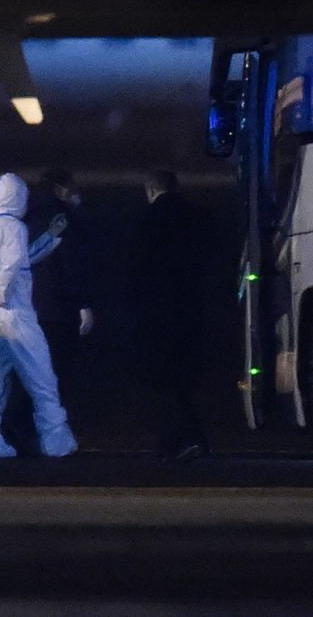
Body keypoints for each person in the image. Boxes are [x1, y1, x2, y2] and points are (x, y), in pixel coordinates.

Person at [0, 173, 77, 458]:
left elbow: (18, 260)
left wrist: (49, 238)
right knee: (43, 380)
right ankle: (56, 439)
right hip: (15, 316)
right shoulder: (14, 227)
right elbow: (14, 266)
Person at [2, 166, 97, 451]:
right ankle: (36, 433)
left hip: (29, 307)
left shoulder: (27, 218)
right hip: (57, 309)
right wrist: (82, 304)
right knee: (54, 374)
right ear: (60, 187)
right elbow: (73, 263)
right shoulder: (63, 220)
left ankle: (19, 431)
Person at [129, 169, 209, 461]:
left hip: (156, 315)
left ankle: (180, 440)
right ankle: (180, 439)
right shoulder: (201, 219)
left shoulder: (144, 222)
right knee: (184, 380)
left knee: (164, 381)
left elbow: (134, 272)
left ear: (151, 190)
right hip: (192, 310)